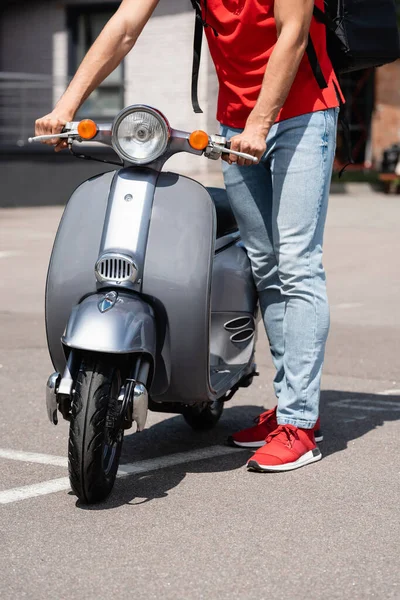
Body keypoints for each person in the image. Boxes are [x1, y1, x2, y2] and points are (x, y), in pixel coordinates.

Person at [35, 0, 342, 472]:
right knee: (264, 263)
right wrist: (65, 107)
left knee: (296, 263)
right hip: (237, 121)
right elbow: (124, 26)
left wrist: (260, 123)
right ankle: (289, 407)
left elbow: (293, 33)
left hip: (301, 113)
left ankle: (300, 424)